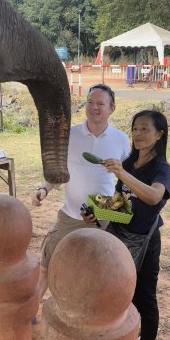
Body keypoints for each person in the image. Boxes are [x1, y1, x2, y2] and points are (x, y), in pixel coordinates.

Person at [32, 84, 130, 300]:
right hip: (71, 211)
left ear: (112, 108)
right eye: (90, 102)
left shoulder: (121, 140)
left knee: (100, 266)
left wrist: (118, 206)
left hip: (104, 211)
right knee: (48, 261)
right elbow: (58, 171)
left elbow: (128, 182)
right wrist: (44, 189)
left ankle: (91, 309)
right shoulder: (70, 134)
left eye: (101, 104)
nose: (94, 107)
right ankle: (32, 307)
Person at [84, 110, 170, 340]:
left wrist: (122, 173)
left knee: (145, 297)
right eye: (135, 128)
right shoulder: (129, 163)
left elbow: (154, 197)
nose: (138, 133)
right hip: (120, 237)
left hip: (146, 240)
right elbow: (119, 202)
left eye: (145, 129)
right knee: (121, 292)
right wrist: (96, 214)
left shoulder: (161, 169)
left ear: (159, 135)